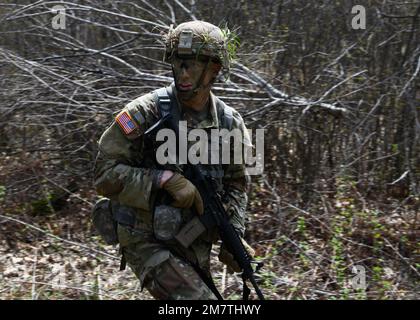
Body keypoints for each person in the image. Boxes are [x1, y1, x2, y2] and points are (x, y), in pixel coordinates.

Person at [93, 20, 255, 300]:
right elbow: (104, 176)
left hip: (192, 241)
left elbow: (237, 183)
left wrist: (233, 235)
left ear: (214, 68)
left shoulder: (231, 123)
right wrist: (164, 179)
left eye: (192, 64)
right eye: (178, 62)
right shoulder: (145, 113)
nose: (183, 73)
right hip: (144, 237)